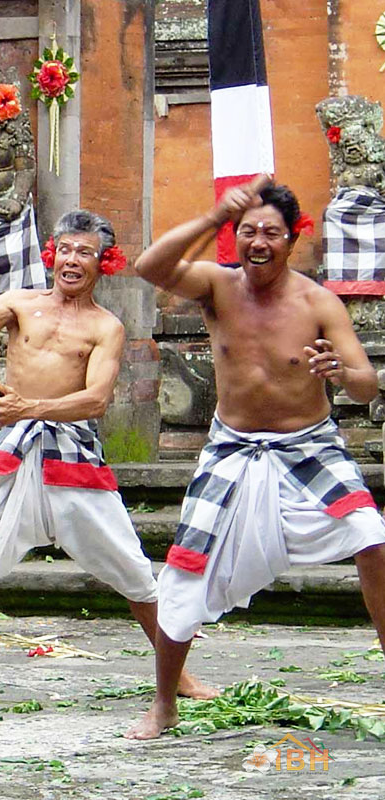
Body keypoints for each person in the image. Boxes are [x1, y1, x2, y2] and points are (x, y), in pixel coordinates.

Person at [0, 210, 214, 712]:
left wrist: (31, 407)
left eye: (85, 252)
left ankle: (176, 674)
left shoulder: (106, 327)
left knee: (135, 574)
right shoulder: (21, 304)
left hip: (72, 455)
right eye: (65, 249)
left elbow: (95, 401)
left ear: (103, 262)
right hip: (8, 449)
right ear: (52, 254)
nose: (72, 260)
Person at [126, 177, 385, 739]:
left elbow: (367, 384)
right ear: (234, 237)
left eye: (271, 232)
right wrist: (215, 213)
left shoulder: (319, 301)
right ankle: (165, 702)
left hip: (310, 446)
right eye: (247, 231)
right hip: (232, 449)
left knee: (372, 534)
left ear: (292, 240)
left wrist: (343, 373)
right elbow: (148, 266)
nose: (258, 241)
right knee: (185, 568)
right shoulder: (217, 286)